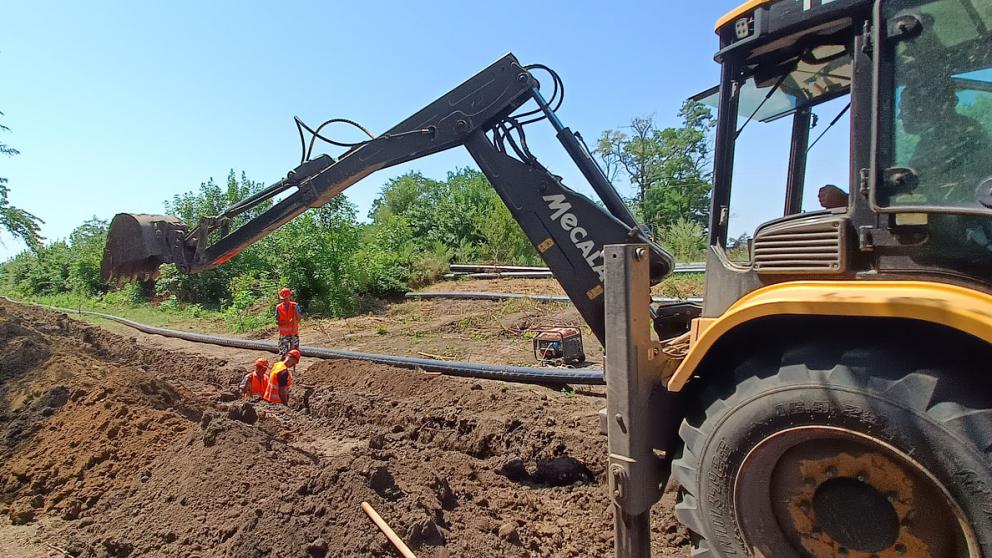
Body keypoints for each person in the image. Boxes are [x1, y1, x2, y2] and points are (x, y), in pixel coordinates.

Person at [275, 288, 303, 357]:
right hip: (284, 335)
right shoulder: (278, 307)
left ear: (289, 297)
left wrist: (295, 311)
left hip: (294, 333)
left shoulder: (295, 305)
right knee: (283, 354)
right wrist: (286, 322)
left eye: (286, 298)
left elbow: (299, 318)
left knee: (295, 354)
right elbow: (277, 321)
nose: (284, 300)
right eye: (283, 299)